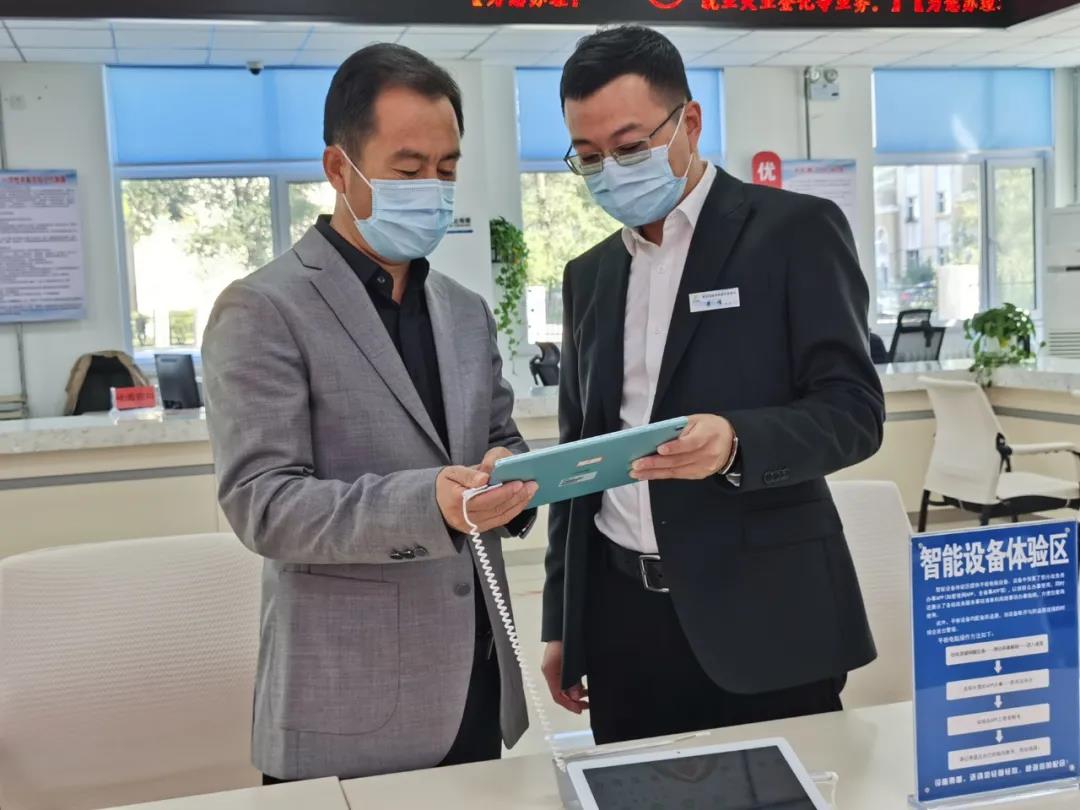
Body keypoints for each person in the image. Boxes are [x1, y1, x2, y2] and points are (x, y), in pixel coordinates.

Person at [541, 26, 886, 745]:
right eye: (589, 157)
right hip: (624, 622)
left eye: (630, 147)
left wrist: (736, 443)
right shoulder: (589, 275)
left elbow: (853, 411)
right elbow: (580, 454)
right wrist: (562, 622)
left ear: (689, 122)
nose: (611, 170)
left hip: (766, 616)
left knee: (785, 788)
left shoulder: (793, 233)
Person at [202, 43, 538, 782]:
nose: (433, 189)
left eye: (446, 169)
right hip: (346, 704)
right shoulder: (262, 309)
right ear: (338, 168)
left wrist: (511, 476)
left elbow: (498, 437)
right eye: (408, 170)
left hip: (473, 681)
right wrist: (430, 504)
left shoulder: (464, 310)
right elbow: (264, 504)